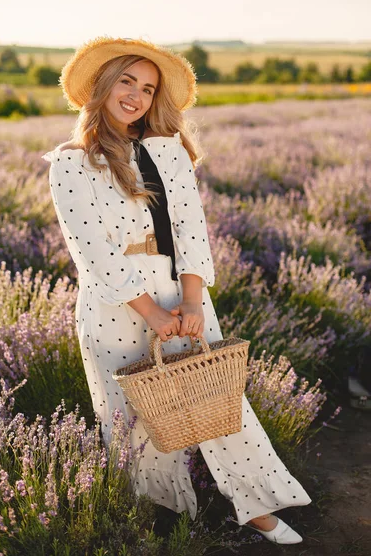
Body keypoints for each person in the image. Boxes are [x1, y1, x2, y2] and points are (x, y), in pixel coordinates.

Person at [42, 36, 311, 544]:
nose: (136, 96)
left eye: (147, 88)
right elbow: (90, 250)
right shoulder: (69, 162)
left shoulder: (169, 151)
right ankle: (160, 513)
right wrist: (152, 314)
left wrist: (188, 301)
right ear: (101, 85)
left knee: (218, 400)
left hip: (180, 290)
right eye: (126, 81)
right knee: (132, 414)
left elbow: (192, 229)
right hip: (114, 303)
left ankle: (255, 507)